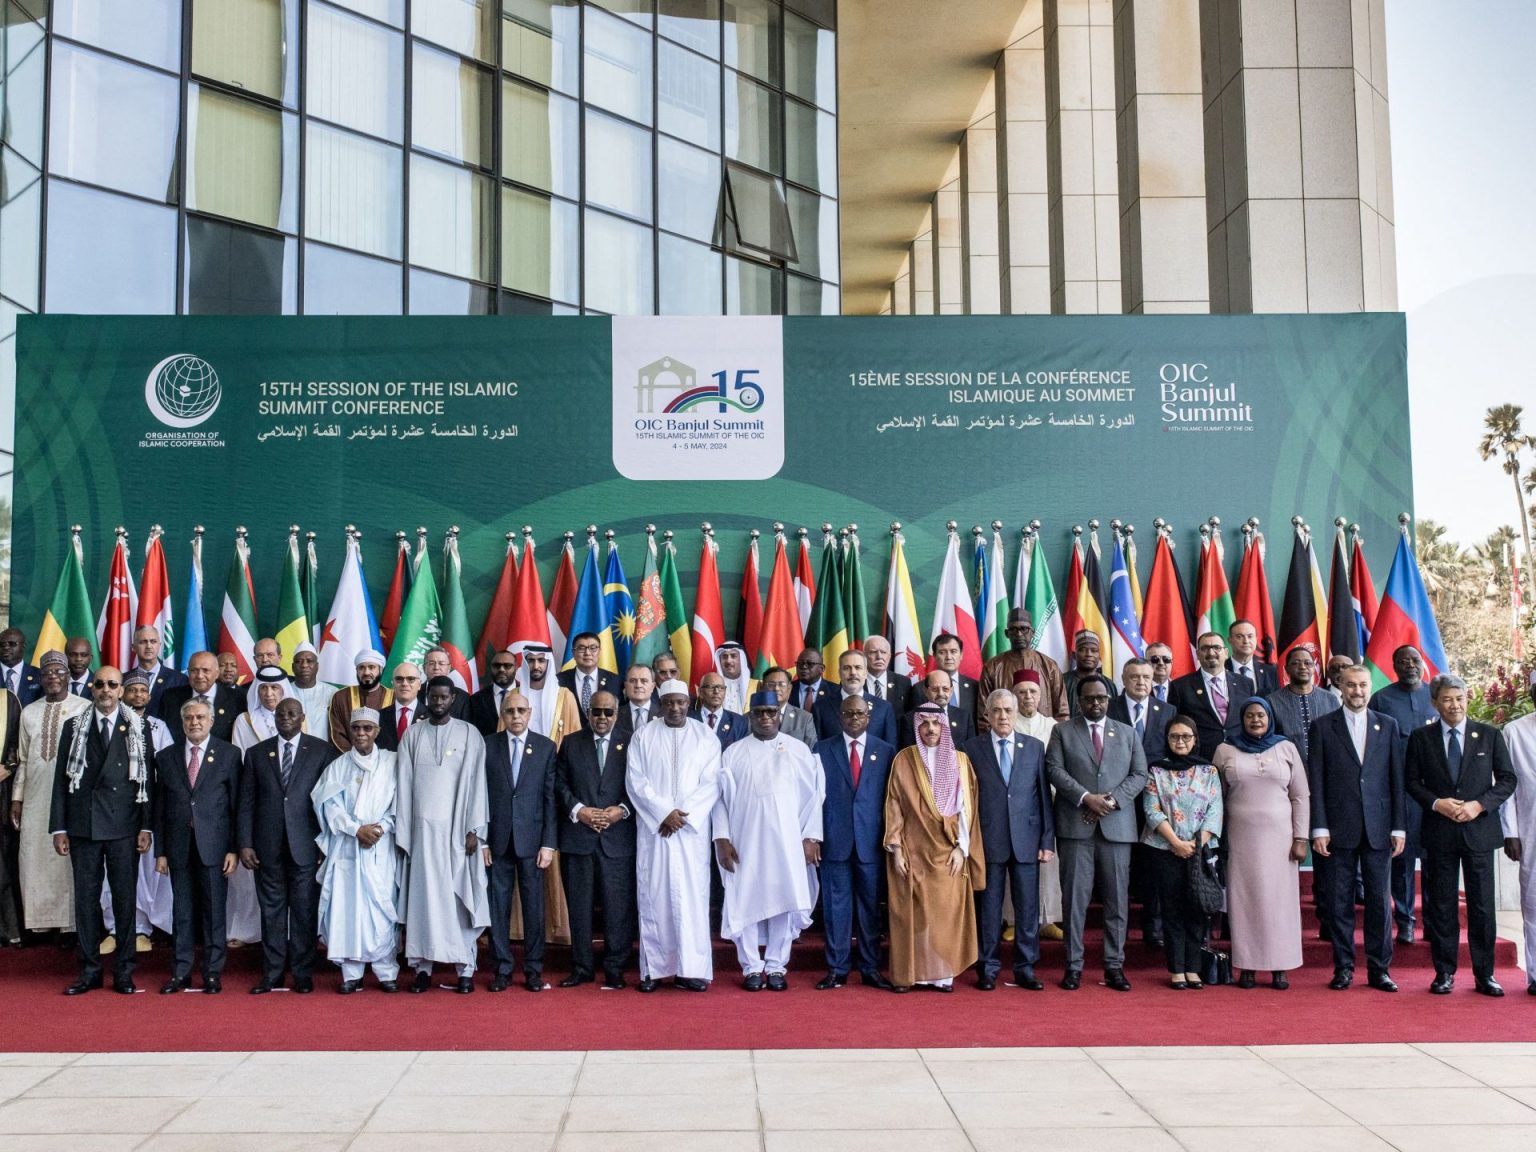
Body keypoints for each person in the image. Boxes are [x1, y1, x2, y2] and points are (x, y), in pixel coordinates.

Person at [1407, 672, 1516, 996]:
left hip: (1478, 832)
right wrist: (1436, 803)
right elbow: (1411, 781)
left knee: (1481, 907)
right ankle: (1444, 973)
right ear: (1435, 703)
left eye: (1459, 698)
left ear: (1467, 699)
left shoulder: (1489, 735)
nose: (1454, 705)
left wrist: (1480, 805)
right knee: (1442, 906)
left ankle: (1485, 975)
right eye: (1447, 699)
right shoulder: (1421, 738)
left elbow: (1507, 780)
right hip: (1439, 832)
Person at [51, 667, 154, 995]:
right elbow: (61, 780)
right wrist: (59, 827)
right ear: (92, 689)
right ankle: (89, 970)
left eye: (112, 684)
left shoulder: (138, 726)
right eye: (100, 684)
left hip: (124, 826)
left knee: (124, 900)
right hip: (83, 826)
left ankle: (124, 970)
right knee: (85, 901)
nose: (106, 690)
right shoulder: (73, 726)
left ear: (121, 690)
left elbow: (147, 781)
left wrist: (146, 825)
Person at [714, 691, 825, 991]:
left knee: (784, 900)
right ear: (750, 716)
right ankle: (751, 967)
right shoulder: (733, 753)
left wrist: (811, 837)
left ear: (779, 714)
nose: (765, 718)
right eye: (759, 712)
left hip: (787, 842)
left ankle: (776, 966)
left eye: (771, 712)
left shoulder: (798, 750)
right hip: (745, 842)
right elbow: (719, 800)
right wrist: (722, 838)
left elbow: (814, 798)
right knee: (745, 901)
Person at [1045, 674, 1148, 991]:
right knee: (1074, 901)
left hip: (1117, 829)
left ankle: (1114, 965)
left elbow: (1139, 774)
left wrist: (1111, 801)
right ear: (1079, 701)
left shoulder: (1127, 733)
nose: (1095, 703)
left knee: (1117, 902)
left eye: (1101, 698)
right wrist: (1086, 797)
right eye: (1089, 698)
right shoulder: (1062, 731)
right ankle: (1073, 966)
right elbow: (1054, 769)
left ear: (1109, 700)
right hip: (1076, 828)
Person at [1308, 663, 1405, 992]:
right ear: (1340, 686)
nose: (1357, 691)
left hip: (1379, 827)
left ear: (1369, 687)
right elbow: (1316, 780)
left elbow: (1396, 779)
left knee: (1379, 902)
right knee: (1339, 902)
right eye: (1351, 685)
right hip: (1338, 828)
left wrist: (1399, 827)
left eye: (1363, 685)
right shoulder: (1322, 726)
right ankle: (1344, 967)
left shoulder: (1387, 725)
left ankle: (1379, 970)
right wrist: (1319, 828)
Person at [626, 679, 721, 992]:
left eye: (681, 702)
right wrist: (663, 813)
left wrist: (681, 816)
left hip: (691, 835)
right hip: (656, 833)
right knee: (654, 897)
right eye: (669, 703)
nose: (675, 708)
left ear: (689, 703)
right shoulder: (643, 736)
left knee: (692, 901)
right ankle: (654, 970)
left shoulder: (706, 737)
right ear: (661, 703)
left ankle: (690, 970)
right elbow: (636, 782)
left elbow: (711, 783)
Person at [398, 677, 491, 994]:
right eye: (433, 696)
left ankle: (465, 969)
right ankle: (422, 969)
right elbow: (404, 786)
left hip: (458, 833)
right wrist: (406, 834)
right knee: (423, 902)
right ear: (426, 698)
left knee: (458, 901)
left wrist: (474, 829)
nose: (438, 701)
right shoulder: (412, 735)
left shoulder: (469, 734)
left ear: (453, 699)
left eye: (444, 697)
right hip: (422, 835)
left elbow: (478, 784)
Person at [240, 697, 337, 994]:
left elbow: (329, 802)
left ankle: (303, 973)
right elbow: (246, 802)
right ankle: (272, 974)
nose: (286, 717)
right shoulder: (257, 753)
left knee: (305, 912)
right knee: (271, 913)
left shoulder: (321, 751)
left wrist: (325, 844)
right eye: (281, 714)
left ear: (302, 717)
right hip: (266, 846)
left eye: (292, 713)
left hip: (306, 846)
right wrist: (245, 843)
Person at [885, 703, 984, 991]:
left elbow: (967, 809)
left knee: (944, 914)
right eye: (925, 723)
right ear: (917, 726)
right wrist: (897, 849)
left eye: (936, 723)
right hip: (913, 850)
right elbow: (895, 804)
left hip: (948, 851)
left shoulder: (960, 761)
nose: (930, 729)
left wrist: (962, 849)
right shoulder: (904, 759)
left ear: (945, 726)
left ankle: (943, 975)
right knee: (915, 915)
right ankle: (914, 974)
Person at [1216, 698, 1310, 990]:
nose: (1255, 720)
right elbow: (1215, 796)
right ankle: (1247, 966)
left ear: (1269, 718)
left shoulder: (1286, 748)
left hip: (1281, 842)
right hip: (1240, 839)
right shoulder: (1225, 749)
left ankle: (1280, 966)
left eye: (1260, 715)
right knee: (1245, 902)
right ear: (1241, 719)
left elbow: (1300, 796)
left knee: (1279, 903)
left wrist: (1301, 837)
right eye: (1249, 716)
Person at [963, 689, 1053, 991]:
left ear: (1016, 714)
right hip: (988, 840)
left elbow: (1043, 796)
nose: (1003, 716)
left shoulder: (1034, 747)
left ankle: (1025, 968)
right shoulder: (971, 748)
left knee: (1027, 908)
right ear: (987, 715)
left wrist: (1047, 840)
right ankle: (987, 967)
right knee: (988, 909)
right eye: (997, 711)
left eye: (1008, 711)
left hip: (1027, 839)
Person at [313, 708, 401, 993]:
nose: (361, 733)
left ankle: (386, 971)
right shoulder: (338, 766)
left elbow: (401, 803)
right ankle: (352, 973)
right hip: (347, 848)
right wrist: (355, 830)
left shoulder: (392, 762)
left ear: (377, 731)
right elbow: (328, 805)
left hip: (381, 845)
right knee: (348, 910)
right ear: (349, 731)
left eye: (367, 728)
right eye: (356, 728)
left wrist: (380, 829)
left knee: (381, 907)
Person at [154, 698, 238, 994]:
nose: (195, 722)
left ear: (211, 721)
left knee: (214, 912)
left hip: (215, 848)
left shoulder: (229, 754)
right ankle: (181, 972)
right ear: (182, 722)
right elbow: (160, 808)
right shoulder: (166, 756)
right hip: (178, 847)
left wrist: (233, 848)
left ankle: (212, 973)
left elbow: (235, 806)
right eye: (189, 717)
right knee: (182, 912)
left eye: (201, 717)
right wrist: (160, 851)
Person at [556, 689, 636, 989]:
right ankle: (582, 967)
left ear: (617, 713)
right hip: (579, 837)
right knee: (579, 907)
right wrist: (580, 810)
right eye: (596, 712)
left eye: (608, 712)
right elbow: (559, 783)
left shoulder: (632, 741)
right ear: (588, 713)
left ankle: (615, 967)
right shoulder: (571, 742)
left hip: (618, 838)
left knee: (618, 907)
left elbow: (639, 784)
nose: (602, 717)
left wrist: (621, 810)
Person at [815, 695, 895, 990]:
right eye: (848, 713)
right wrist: (814, 837)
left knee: (870, 909)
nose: (854, 718)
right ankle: (837, 969)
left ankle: (870, 968)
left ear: (868, 718)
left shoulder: (885, 751)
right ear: (840, 717)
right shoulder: (822, 749)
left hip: (871, 843)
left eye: (859, 714)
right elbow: (814, 798)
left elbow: (891, 798)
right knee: (836, 909)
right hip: (834, 841)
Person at [11, 653, 91, 936]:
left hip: (71, 796)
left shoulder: (85, 708)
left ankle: (70, 926)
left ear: (69, 676)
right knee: (33, 855)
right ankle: (40, 924)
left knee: (66, 859)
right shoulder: (29, 712)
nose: (53, 677)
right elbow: (23, 760)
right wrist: (17, 798)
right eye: (47, 672)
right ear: (40, 678)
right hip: (35, 796)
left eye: (59, 672)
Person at [1266, 644, 1341, 943]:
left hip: (1327, 788)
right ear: (1286, 670)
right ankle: (1282, 920)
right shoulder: (1272, 702)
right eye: (1295, 663)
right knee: (1285, 853)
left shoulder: (1331, 700)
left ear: (1315, 668)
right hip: (1286, 790)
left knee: (1325, 854)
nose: (1302, 667)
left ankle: (1327, 917)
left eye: (1307, 663)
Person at [483, 691, 557, 992]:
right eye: (510, 711)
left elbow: (550, 799)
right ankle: (502, 968)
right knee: (497, 907)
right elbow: (480, 796)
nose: (515, 716)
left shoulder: (545, 747)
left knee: (533, 908)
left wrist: (548, 844)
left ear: (530, 713)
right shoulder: (488, 745)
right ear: (502, 714)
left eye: (521, 711)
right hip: (497, 841)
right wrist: (483, 840)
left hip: (533, 842)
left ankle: (533, 969)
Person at [1142, 715, 1223, 989]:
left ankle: (1194, 968)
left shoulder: (1208, 771)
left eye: (1186, 736)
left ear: (1195, 739)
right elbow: (1152, 809)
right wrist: (1176, 842)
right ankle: (1177, 969)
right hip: (1165, 849)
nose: (1180, 741)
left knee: (1197, 908)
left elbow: (1215, 810)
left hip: (1200, 851)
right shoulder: (1156, 771)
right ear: (1166, 739)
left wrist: (1196, 843)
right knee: (1172, 908)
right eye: (1174, 736)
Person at [1370, 645, 1437, 945]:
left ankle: (1434, 921)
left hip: (1436, 793)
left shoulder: (1437, 695)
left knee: (1436, 860)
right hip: (1399, 791)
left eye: (1415, 660)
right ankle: (1406, 921)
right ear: (1394, 666)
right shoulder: (1381, 699)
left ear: (1422, 664)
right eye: (1403, 661)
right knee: (1403, 861)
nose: (1410, 665)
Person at [228, 665, 298, 946]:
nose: (269, 694)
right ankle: (248, 930)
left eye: (275, 688)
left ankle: (288, 933)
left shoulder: (296, 718)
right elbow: (238, 764)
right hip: (257, 806)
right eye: (264, 688)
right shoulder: (244, 720)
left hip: (291, 814)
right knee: (251, 876)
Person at [1110, 655, 1172, 947]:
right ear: (1123, 679)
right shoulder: (1109, 708)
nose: (1141, 682)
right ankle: (1118, 930)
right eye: (1134, 677)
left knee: (1154, 865)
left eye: (1146, 677)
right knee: (1120, 868)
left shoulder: (1168, 710)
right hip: (1118, 799)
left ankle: (1153, 926)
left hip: (1155, 800)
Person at [114, 668, 173, 950]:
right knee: (115, 870)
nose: (138, 695)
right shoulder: (113, 724)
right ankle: (115, 928)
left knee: (148, 870)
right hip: (116, 809)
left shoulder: (158, 727)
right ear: (122, 694)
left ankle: (144, 928)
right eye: (132, 690)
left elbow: (167, 767)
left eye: (142, 690)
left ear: (149, 696)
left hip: (150, 806)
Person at [1012, 669, 1064, 943]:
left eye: (1032, 691)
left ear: (1040, 695)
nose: (1027, 697)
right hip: (1017, 805)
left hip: (1049, 801)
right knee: (1016, 861)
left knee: (1048, 863)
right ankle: (1013, 920)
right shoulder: (1008, 722)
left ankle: (1048, 919)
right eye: (1021, 692)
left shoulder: (1053, 726)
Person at [1500, 669, 1536, 996]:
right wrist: (1510, 832)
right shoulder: (1514, 732)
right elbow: (1507, 789)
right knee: (1534, 903)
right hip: (1530, 828)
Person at [1169, 632, 1253, 760]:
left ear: (1226, 652)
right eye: (1205, 648)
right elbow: (1176, 726)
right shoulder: (1180, 686)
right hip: (1201, 758)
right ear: (1198, 654)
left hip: (1241, 755)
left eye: (1216, 647)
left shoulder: (1245, 683)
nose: (1211, 652)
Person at [979, 607, 1069, 724]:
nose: (1019, 634)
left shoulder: (1050, 666)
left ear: (1033, 632)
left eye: (1024, 629)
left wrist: (1057, 736)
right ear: (1007, 633)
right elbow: (984, 715)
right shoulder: (992, 667)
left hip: (1044, 733)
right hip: (1006, 733)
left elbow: (1062, 712)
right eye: (1013, 629)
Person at [813, 649, 897, 747]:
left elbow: (890, 749)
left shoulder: (884, 708)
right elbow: (817, 749)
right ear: (839, 673)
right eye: (847, 668)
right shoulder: (820, 708)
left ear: (866, 673)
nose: (853, 672)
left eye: (858, 667)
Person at [162, 650, 247, 744]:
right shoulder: (170, 697)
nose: (199, 676)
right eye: (194, 670)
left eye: (206, 670)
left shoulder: (238, 699)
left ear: (217, 673)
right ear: (188, 672)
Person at [327, 649, 393, 754]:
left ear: (380, 670)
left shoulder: (394, 697)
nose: (366, 672)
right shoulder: (341, 697)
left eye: (371, 667)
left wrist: (382, 758)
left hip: (386, 760)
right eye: (361, 668)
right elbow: (337, 734)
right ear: (356, 670)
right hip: (348, 759)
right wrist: (355, 757)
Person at [516, 644, 582, 748]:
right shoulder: (513, 696)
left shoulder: (565, 696)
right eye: (531, 660)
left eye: (541, 660)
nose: (536, 666)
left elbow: (576, 737)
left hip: (557, 756)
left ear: (548, 663)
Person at [907, 633, 977, 721]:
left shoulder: (974, 687)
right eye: (942, 652)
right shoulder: (919, 688)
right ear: (934, 656)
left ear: (961, 655)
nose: (949, 657)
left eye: (953, 651)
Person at [558, 633, 620, 727]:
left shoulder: (615, 681)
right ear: (573, 653)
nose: (587, 653)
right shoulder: (559, 681)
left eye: (593, 648)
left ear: (599, 652)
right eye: (581, 648)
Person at [0, 676, 22, 945]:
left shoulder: (7, 700)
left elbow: (18, 743)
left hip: (2, 789)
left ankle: (9, 929)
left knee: (3, 860)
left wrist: (7, 767)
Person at [901, 669, 974, 746]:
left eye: (945, 689)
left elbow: (970, 748)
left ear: (951, 691)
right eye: (935, 689)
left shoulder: (964, 717)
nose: (941, 693)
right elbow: (907, 751)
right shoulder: (910, 719)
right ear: (925, 691)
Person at [129, 625, 186, 717]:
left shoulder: (179, 680)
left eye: (153, 641)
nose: (149, 646)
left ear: (160, 645)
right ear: (133, 647)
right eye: (143, 642)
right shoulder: (124, 679)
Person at [288, 642, 336, 747]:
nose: (304, 665)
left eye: (309, 661)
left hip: (325, 751)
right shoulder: (284, 692)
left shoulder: (332, 693)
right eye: (299, 661)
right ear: (292, 667)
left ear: (317, 666)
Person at [760, 666, 818, 750]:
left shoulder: (805, 718)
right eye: (771, 684)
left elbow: (811, 751)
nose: (776, 688)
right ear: (762, 688)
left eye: (781, 684)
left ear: (789, 688)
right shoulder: (749, 718)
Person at [1063, 631, 1117, 717]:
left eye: (1094, 650)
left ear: (1099, 655)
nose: (1088, 654)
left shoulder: (1109, 684)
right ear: (1074, 654)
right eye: (1082, 650)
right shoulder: (1062, 681)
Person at [470, 648, 520, 735]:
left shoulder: (526, 693)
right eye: (497, 665)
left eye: (507, 665)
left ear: (516, 667)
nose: (501, 669)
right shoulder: (476, 699)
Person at [862, 636, 909, 726]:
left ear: (889, 656)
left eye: (883, 652)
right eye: (873, 652)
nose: (879, 657)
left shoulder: (903, 682)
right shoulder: (856, 682)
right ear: (864, 656)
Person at [692, 672, 748, 749]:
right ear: (700, 692)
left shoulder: (739, 722)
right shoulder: (688, 719)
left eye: (721, 688)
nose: (716, 691)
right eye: (711, 687)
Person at [377, 663, 425, 752]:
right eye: (399, 679)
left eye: (410, 679)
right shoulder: (378, 716)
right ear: (393, 683)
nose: (404, 683)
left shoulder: (431, 716)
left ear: (419, 685)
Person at [1226, 620, 1278, 694]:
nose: (1246, 641)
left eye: (1250, 636)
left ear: (1256, 639)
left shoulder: (1271, 672)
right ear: (1230, 640)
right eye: (1239, 637)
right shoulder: (1220, 669)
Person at [421, 648, 472, 720]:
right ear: (424, 668)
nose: (436, 668)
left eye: (441, 663)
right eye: (431, 663)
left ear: (449, 668)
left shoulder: (463, 697)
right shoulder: (414, 693)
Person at [612, 664, 659, 743]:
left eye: (644, 681)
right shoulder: (614, 715)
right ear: (626, 686)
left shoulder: (663, 715)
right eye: (633, 681)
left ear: (653, 686)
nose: (638, 685)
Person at [0, 627, 42, 706]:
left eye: (12, 644)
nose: (6, 647)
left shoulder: (39, 675)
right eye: (1, 645)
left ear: (23, 646)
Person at [714, 641, 755, 715]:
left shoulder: (754, 686)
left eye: (733, 656)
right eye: (724, 657)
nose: (728, 661)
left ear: (741, 659)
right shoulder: (713, 687)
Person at [792, 648, 831, 714]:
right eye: (800, 663)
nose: (804, 667)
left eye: (810, 664)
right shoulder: (786, 689)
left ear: (821, 669)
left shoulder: (836, 691)